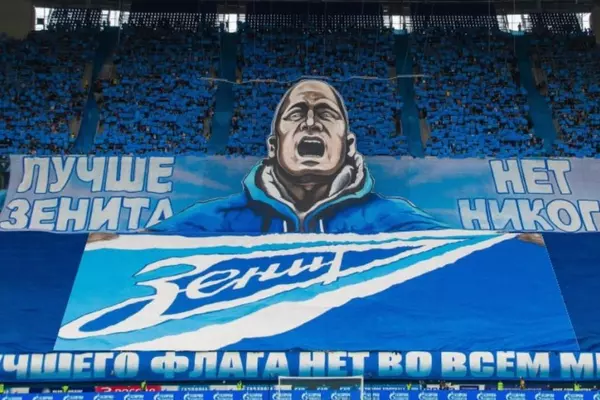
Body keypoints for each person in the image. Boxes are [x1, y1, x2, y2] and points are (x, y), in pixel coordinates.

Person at [149, 80, 447, 235]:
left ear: (349, 145)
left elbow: (455, 254)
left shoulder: (391, 218)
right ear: (273, 146)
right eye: (296, 113)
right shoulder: (216, 219)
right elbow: (142, 248)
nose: (311, 123)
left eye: (326, 113)